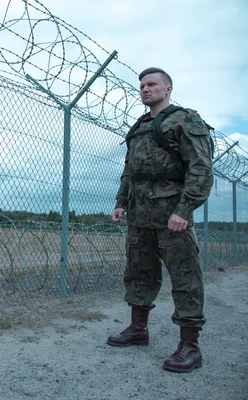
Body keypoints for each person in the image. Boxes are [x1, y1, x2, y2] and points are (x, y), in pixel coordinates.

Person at [108, 67, 214, 372]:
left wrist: (184, 210)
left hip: (172, 216)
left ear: (167, 89)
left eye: (152, 84)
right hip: (139, 216)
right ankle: (138, 329)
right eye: (141, 85)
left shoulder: (184, 119)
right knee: (139, 273)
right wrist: (120, 202)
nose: (145, 89)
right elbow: (131, 170)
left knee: (185, 278)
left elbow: (200, 168)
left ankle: (190, 347)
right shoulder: (139, 127)